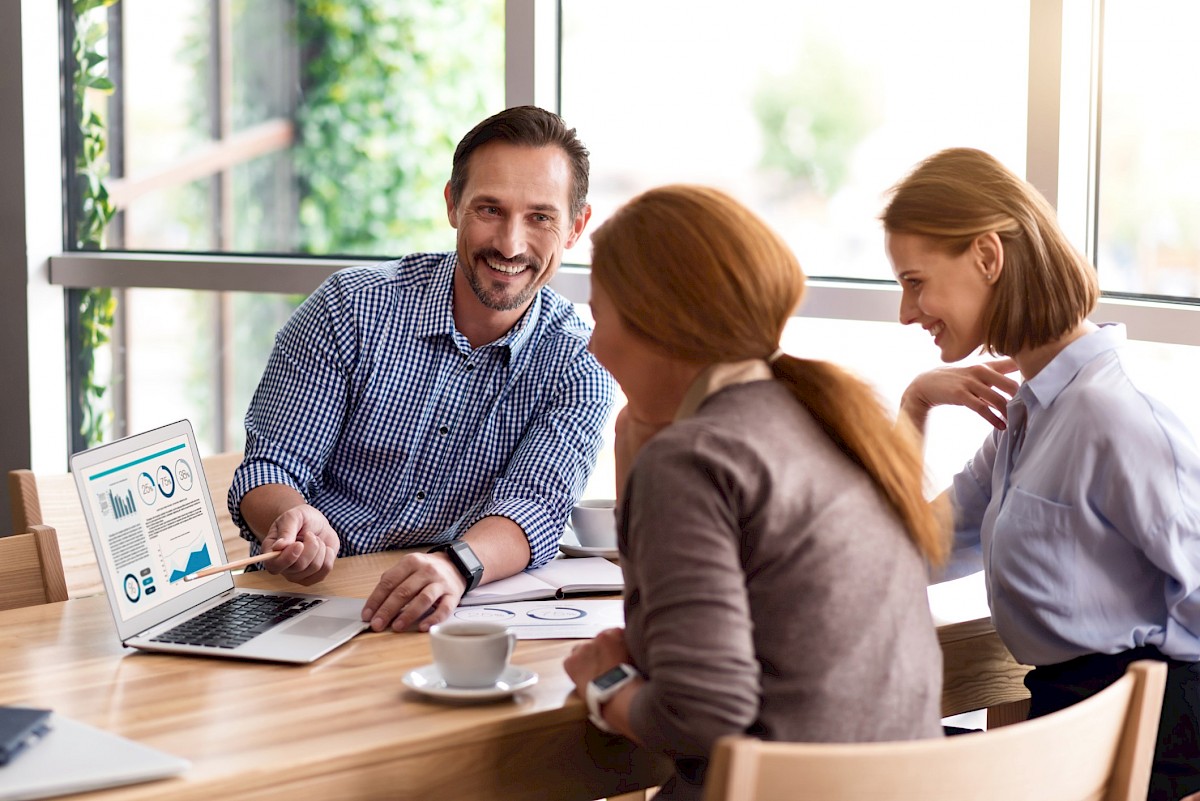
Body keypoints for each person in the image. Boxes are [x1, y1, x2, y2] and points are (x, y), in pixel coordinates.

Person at [563, 185, 947, 800]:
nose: (593, 344)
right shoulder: (834, 419)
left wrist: (604, 685)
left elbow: (702, 714)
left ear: (659, 323)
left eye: (600, 315)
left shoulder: (692, 460)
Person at [884, 147, 1200, 801]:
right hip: (1069, 723)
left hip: (1139, 738)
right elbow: (903, 552)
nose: (906, 312)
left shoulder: (1115, 416)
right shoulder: (1029, 416)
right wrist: (915, 403)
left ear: (987, 257)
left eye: (915, 281)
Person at [228, 106, 614, 633]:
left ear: (576, 227)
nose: (510, 244)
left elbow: (535, 508)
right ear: (453, 204)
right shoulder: (349, 309)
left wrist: (455, 567)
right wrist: (291, 520)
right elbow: (271, 467)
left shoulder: (581, 361)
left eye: (540, 217)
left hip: (443, 610)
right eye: (489, 209)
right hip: (307, 600)